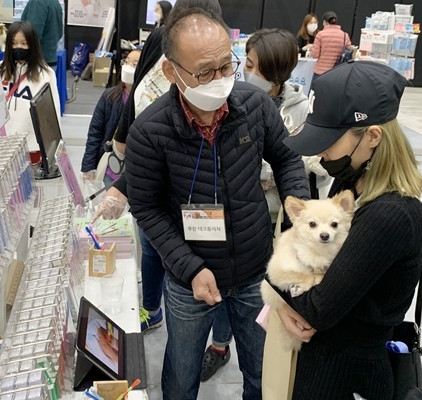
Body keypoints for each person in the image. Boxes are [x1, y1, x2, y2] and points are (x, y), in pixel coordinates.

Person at [124, 8, 310, 400]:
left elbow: (288, 158)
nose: (220, 79)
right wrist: (189, 268)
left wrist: (298, 221)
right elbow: (146, 208)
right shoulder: (150, 131)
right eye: (205, 72)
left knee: (262, 372)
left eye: (228, 65)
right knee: (181, 373)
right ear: (172, 72)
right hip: (190, 278)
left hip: (255, 270)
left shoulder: (255, 107)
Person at [277, 60, 422, 399]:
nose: (322, 151)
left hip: (346, 374)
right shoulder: (351, 182)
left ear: (372, 136)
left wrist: (278, 283)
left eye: (329, 140)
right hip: (325, 357)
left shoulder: (388, 216)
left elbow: (317, 307)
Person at [199, 27, 332, 383]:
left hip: (276, 221)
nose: (246, 72)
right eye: (246, 63)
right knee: (226, 288)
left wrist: (282, 172)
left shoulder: (300, 107)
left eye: (255, 66)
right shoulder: (232, 100)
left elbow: (307, 160)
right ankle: (220, 345)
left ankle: (258, 368)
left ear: (276, 73)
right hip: (235, 217)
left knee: (260, 305)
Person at [93, 0, 225, 334]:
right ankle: (152, 308)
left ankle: (214, 334)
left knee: (197, 262)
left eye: (224, 67)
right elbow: (138, 113)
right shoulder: (161, 47)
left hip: (198, 194)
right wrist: (124, 185)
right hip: (154, 181)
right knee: (153, 247)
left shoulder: (223, 87)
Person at [0, 22, 60, 152]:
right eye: (13, 43)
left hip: (32, 148)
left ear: (32, 45)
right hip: (2, 147)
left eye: (24, 43)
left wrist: (52, 148)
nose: (18, 47)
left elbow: (53, 115)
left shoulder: (46, 75)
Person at [80, 50, 141, 184]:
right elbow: (95, 133)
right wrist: (88, 166)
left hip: (136, 174)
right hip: (111, 171)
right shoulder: (109, 97)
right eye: (126, 61)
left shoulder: (146, 102)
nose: (128, 66)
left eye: (135, 64)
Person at [21, 0, 63, 68]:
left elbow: (33, 34)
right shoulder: (55, 2)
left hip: (37, 62)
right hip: (50, 59)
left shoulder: (37, 2)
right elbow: (59, 32)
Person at [311, 11, 351, 79]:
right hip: (336, 72)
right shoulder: (345, 35)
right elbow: (349, 51)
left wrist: (311, 48)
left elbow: (315, 55)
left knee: (316, 89)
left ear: (324, 22)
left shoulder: (320, 34)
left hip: (320, 72)